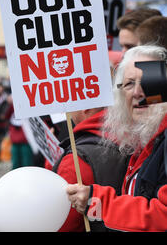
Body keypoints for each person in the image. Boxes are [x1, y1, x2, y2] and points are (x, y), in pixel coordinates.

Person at [67, 45, 167, 231]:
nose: (137, 92)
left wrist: (95, 201)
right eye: (129, 84)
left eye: (149, 81)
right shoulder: (143, 144)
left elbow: (163, 216)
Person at [51, 107, 129, 232]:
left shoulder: (75, 160)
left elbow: (64, 224)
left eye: (70, 106)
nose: (68, 111)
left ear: (86, 108)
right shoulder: (137, 136)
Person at [4, 95, 34, 169]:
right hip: (15, 141)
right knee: (15, 164)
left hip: (26, 141)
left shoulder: (28, 106)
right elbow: (4, 115)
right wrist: (9, 103)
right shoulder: (11, 106)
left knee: (27, 164)